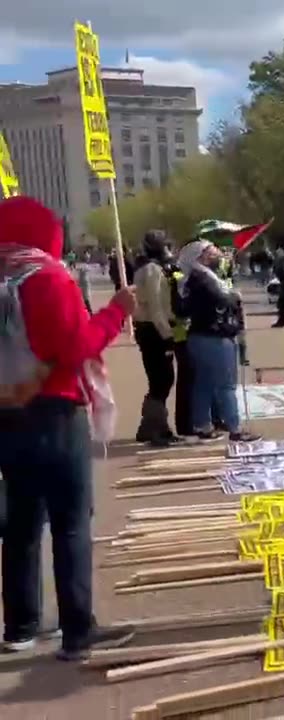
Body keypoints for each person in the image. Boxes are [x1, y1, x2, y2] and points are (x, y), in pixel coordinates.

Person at [0, 195, 137, 659]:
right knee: (71, 522)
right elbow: (78, 347)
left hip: (7, 415)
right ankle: (78, 629)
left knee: (21, 522)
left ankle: (20, 626)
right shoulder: (50, 278)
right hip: (56, 412)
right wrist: (117, 310)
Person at [179, 241, 259, 442]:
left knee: (204, 383)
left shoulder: (196, 279)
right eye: (213, 251)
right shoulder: (204, 280)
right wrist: (234, 296)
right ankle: (235, 428)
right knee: (226, 385)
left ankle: (202, 425)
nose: (219, 254)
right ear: (202, 257)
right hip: (214, 338)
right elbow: (223, 301)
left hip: (199, 337)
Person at [132, 230, 180, 446]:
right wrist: (167, 334)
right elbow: (156, 306)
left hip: (149, 328)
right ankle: (154, 428)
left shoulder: (150, 268)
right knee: (162, 378)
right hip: (152, 329)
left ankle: (154, 425)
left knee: (161, 379)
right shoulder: (151, 270)